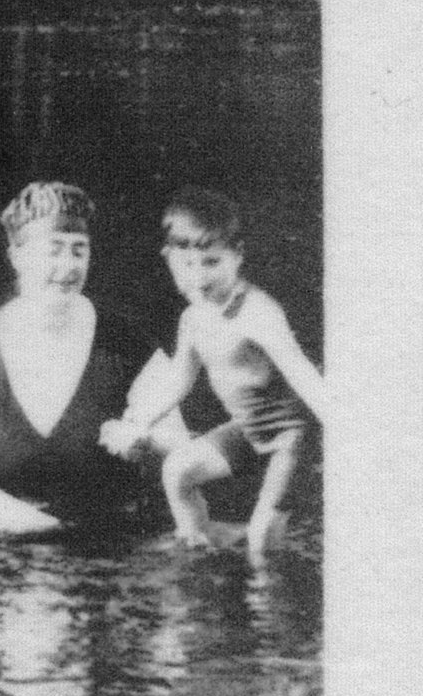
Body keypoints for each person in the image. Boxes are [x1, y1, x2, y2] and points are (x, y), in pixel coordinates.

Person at [0, 182, 166, 533]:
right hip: (3, 543)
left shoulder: (131, 346)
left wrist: (148, 441)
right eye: (53, 250)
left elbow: (181, 452)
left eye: (78, 251)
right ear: (17, 256)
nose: (67, 267)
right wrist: (43, 529)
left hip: (109, 548)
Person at [99, 189, 325, 558]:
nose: (199, 277)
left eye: (212, 262)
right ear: (168, 259)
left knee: (262, 540)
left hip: (290, 438)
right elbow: (179, 380)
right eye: (187, 265)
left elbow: (301, 373)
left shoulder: (258, 311)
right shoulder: (193, 319)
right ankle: (197, 545)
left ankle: (263, 561)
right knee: (177, 471)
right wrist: (136, 422)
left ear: (237, 256)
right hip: (246, 432)